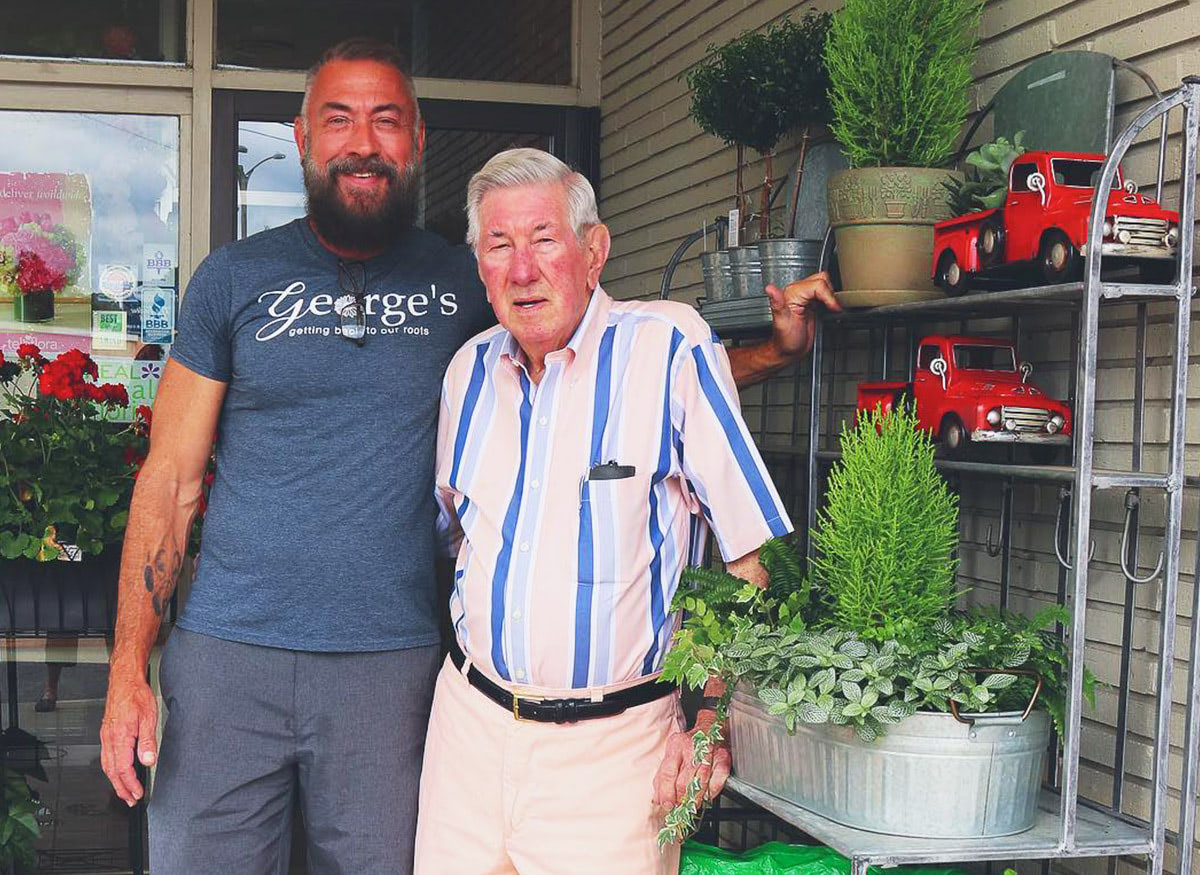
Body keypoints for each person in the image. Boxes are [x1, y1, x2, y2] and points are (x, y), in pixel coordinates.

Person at [99, 39, 836, 875]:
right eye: (338, 119)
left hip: (393, 665)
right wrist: (129, 666)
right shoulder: (237, 281)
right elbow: (171, 478)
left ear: (415, 142)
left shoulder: (470, 282)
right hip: (238, 654)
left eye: (386, 120)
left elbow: (625, 382)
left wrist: (769, 358)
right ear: (302, 138)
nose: (362, 141)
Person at [415, 148, 802, 874]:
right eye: (499, 244)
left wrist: (712, 719)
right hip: (467, 732)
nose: (521, 268)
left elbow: (756, 556)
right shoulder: (467, 371)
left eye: (543, 239)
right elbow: (458, 537)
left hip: (618, 750)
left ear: (594, 251)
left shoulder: (668, 345)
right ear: (479, 265)